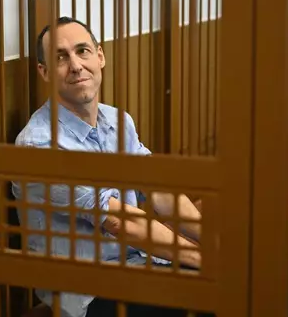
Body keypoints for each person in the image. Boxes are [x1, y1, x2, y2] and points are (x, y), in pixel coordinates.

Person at [12, 17, 209, 317]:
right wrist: (204, 259)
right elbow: (119, 221)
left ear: (100, 56)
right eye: (61, 57)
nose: (76, 65)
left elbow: (158, 189)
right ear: (45, 71)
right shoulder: (40, 145)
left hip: (137, 264)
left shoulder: (117, 121)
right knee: (210, 296)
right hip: (90, 292)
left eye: (83, 51)